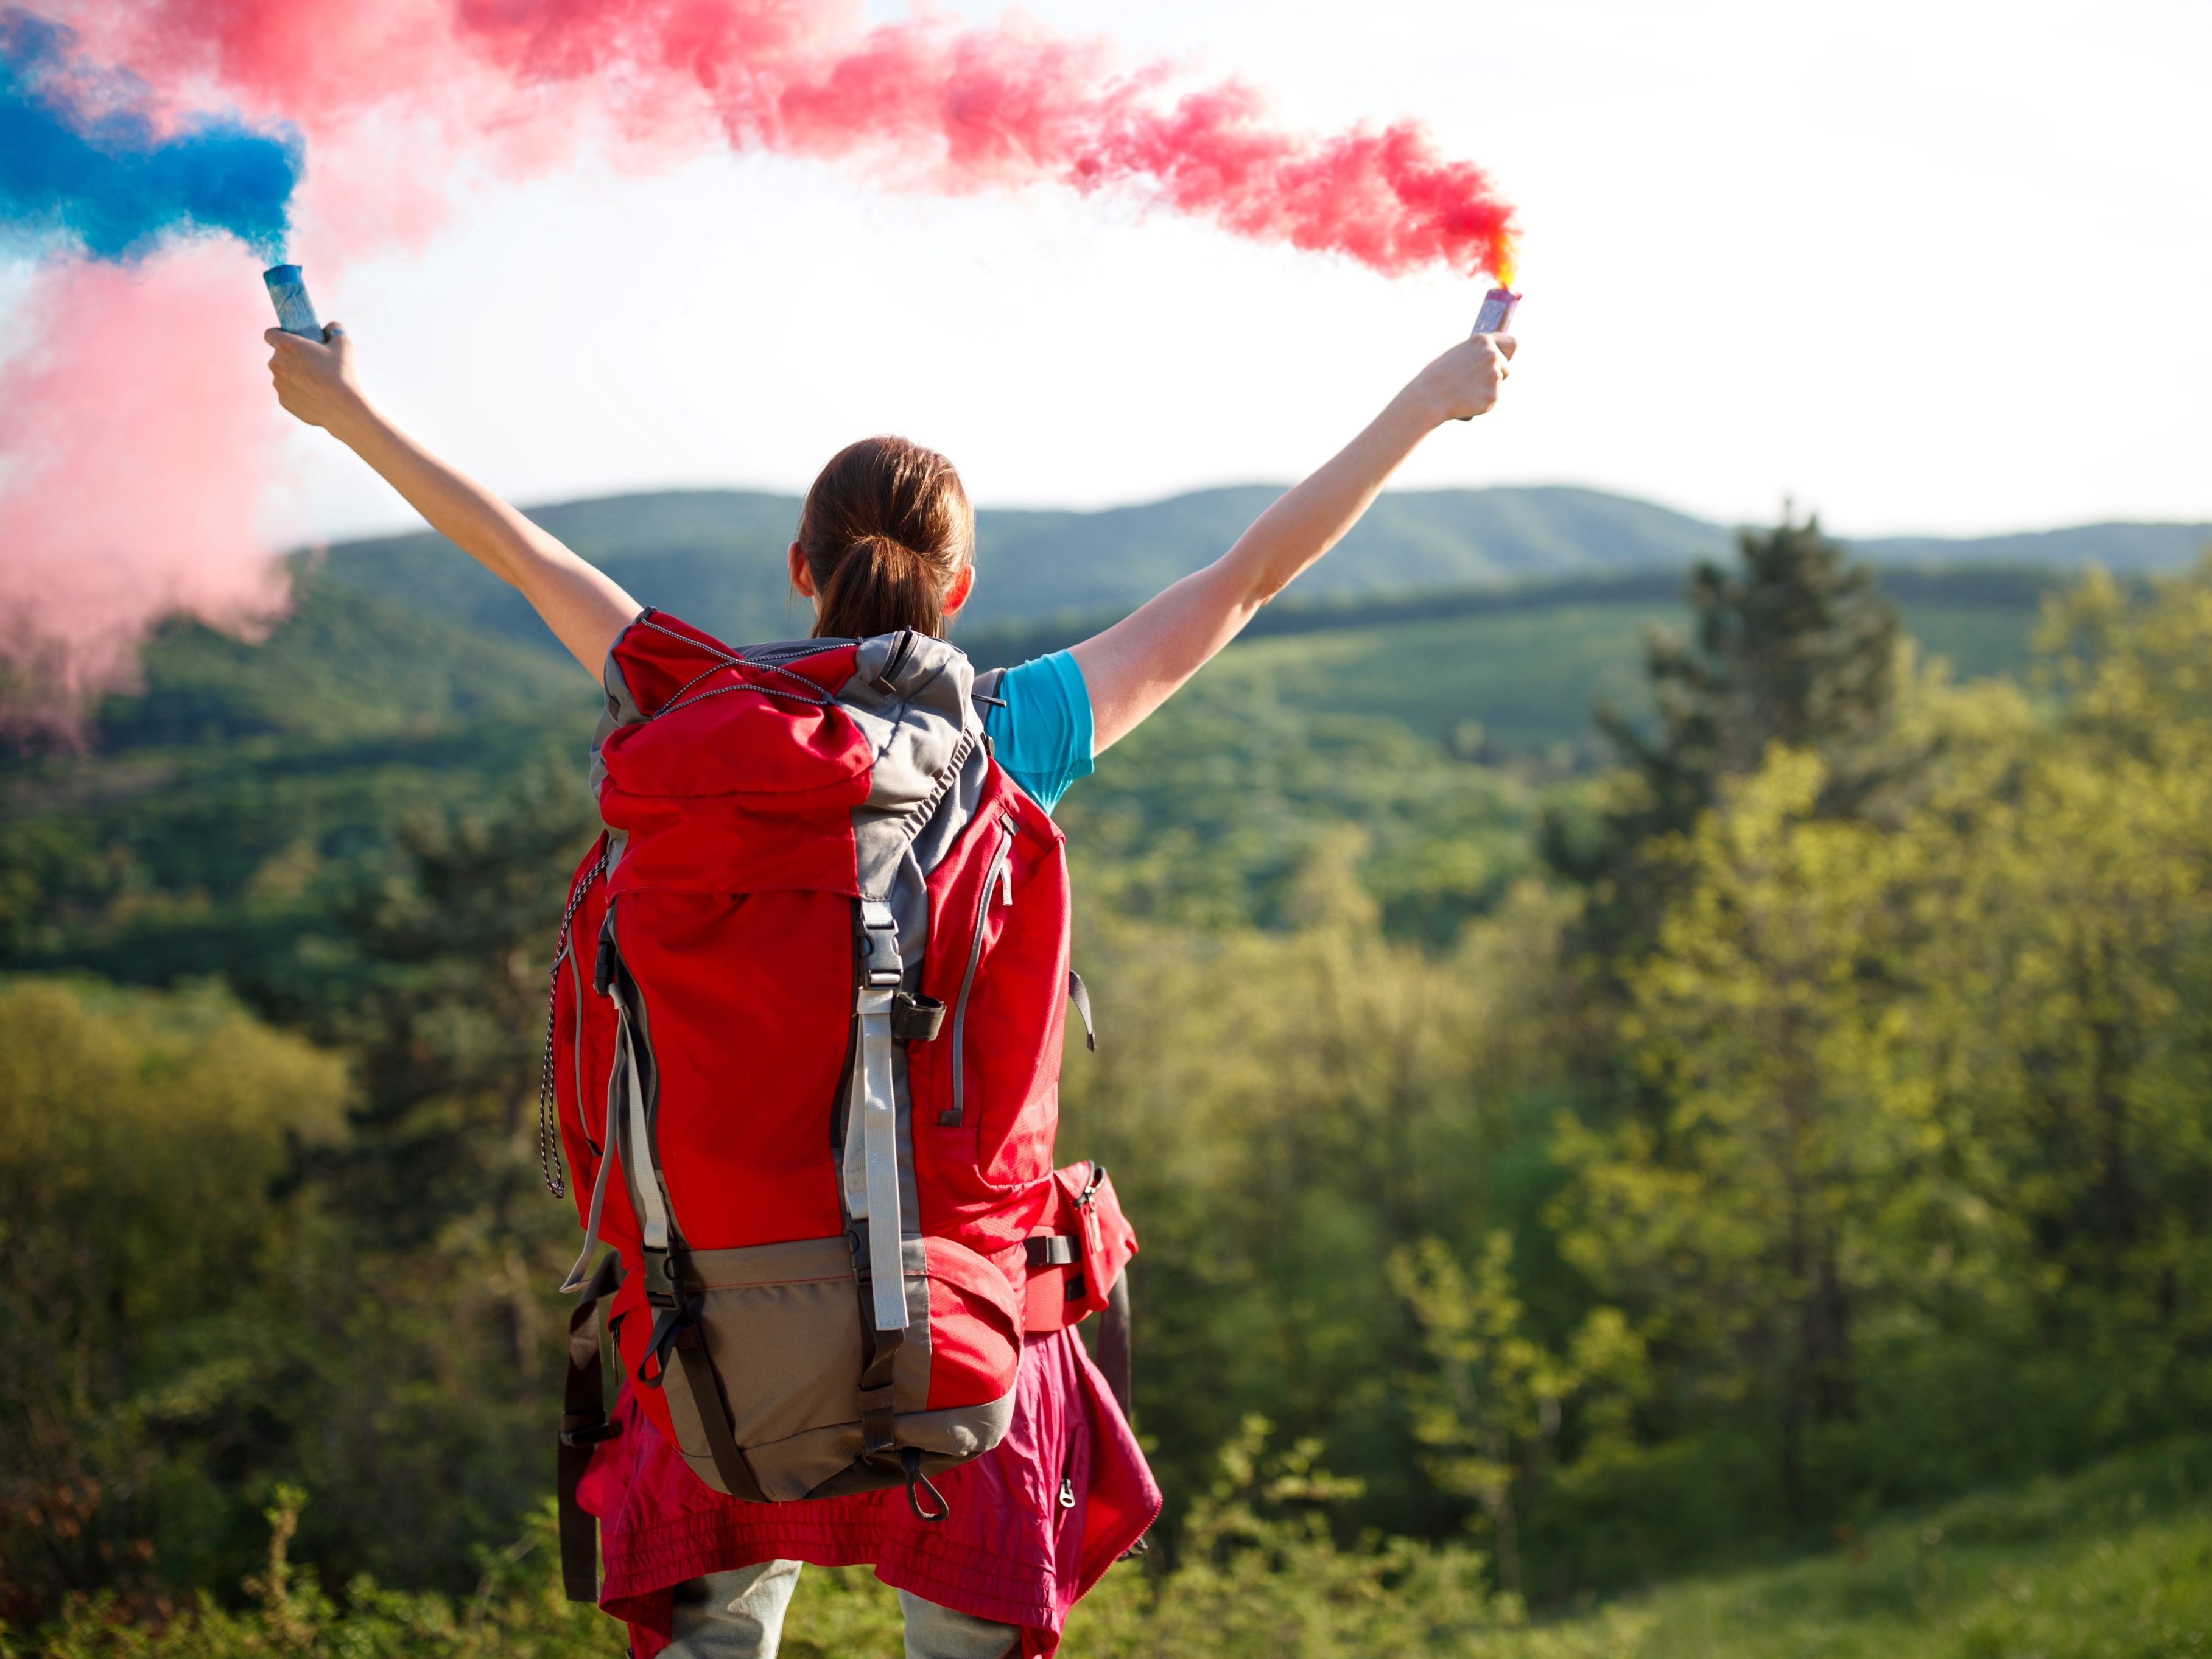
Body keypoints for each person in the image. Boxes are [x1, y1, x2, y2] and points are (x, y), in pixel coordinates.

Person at [264, 310, 1514, 1659]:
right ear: (959, 591)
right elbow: (1245, 576)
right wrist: (1431, 397)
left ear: (799, 567)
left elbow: (518, 551)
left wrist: (344, 411)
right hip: (958, 1328)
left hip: (702, 1334)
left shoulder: (678, 706)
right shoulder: (1005, 737)